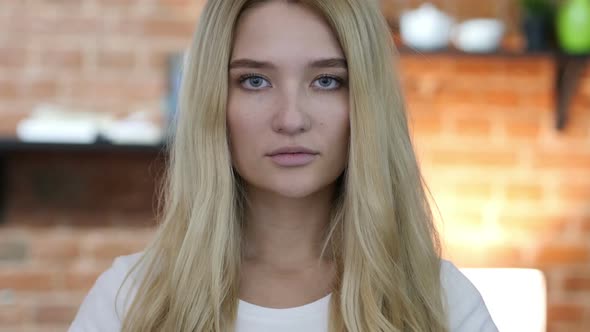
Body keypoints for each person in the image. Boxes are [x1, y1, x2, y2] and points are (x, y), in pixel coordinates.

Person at [69, 0, 498, 331]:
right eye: (255, 81)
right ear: (214, 102)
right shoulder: (130, 299)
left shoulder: (441, 301)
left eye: (327, 80)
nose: (291, 118)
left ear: (366, 103)